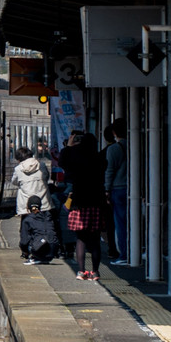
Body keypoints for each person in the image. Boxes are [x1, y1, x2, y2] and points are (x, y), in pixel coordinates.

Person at [59, 131, 107, 281]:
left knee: (81, 239)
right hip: (96, 202)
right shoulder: (100, 159)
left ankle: (81, 272)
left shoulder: (74, 158)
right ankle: (95, 272)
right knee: (94, 239)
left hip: (79, 203)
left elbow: (62, 162)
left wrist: (69, 145)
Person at [104, 118, 129, 265]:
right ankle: (138, 250)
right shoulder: (137, 146)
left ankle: (124, 254)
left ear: (114, 132)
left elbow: (109, 171)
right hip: (136, 190)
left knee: (120, 223)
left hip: (118, 189)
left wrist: (106, 190)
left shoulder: (113, 149)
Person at [11, 146, 53, 218]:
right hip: (43, 203)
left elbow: (14, 182)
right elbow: (46, 177)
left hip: (26, 205)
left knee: (27, 225)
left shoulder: (18, 169)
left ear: (19, 159)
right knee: (45, 224)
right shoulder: (42, 165)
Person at [99, 125, 120, 261]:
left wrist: (106, 190)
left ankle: (113, 249)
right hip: (126, 190)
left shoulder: (104, 153)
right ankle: (127, 249)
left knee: (111, 223)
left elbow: (107, 173)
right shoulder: (129, 148)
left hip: (109, 191)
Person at [20, 195, 59, 264]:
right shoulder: (49, 217)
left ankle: (36, 257)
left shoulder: (27, 219)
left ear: (28, 207)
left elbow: (24, 241)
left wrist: (25, 252)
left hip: (38, 250)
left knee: (30, 241)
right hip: (54, 249)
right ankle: (44, 257)